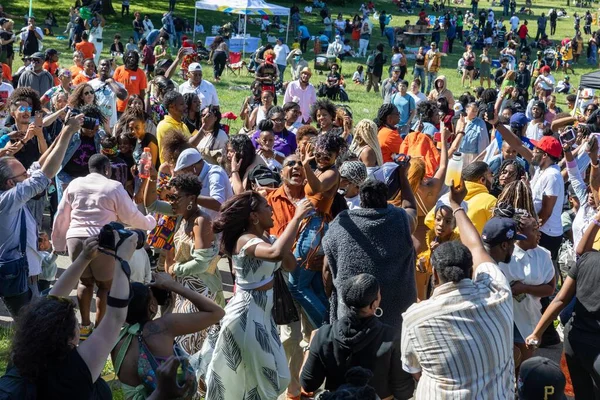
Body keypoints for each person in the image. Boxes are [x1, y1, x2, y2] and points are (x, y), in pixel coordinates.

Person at [402, 182, 515, 398]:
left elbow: (415, 371)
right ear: (471, 270)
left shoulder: (415, 318)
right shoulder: (499, 292)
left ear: (434, 274)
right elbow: (476, 247)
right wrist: (456, 204)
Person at [198, 192, 313, 400]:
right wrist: (296, 218)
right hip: (246, 316)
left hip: (263, 316)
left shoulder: (266, 240)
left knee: (279, 377)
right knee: (263, 384)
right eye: (266, 207)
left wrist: (281, 241)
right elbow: (274, 255)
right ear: (254, 216)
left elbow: (290, 264)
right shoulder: (245, 240)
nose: (271, 211)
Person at [0, 232, 136, 399]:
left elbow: (51, 301)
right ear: (71, 339)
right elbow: (115, 317)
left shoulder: (20, 359)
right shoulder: (77, 370)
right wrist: (122, 260)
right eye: (76, 324)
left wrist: (84, 258)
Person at [52, 154, 156, 335]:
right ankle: (99, 330)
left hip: (76, 239)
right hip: (104, 240)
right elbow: (130, 216)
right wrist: (150, 222)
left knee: (84, 282)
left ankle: (85, 326)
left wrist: (58, 243)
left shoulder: (75, 184)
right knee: (105, 286)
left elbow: (61, 215)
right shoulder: (114, 186)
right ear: (107, 169)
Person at [0, 110, 83, 316]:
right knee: (28, 331)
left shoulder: (12, 193)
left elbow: (39, 166)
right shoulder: (6, 200)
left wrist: (64, 131)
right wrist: (67, 133)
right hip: (19, 280)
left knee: (32, 329)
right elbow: (44, 175)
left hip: (28, 275)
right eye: (23, 174)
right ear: (10, 182)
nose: (28, 174)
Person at [301, 274, 414, 399]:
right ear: (373, 304)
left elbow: (308, 384)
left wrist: (309, 348)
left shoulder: (324, 334)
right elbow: (404, 392)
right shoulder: (391, 338)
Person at [526, 215, 600, 398]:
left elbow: (560, 299)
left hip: (574, 341)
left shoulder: (586, 260)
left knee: (583, 394)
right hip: (597, 346)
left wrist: (537, 332)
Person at [498, 209, 555, 363]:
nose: (539, 233)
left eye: (539, 228)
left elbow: (550, 288)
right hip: (507, 318)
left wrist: (526, 289)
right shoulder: (503, 255)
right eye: (534, 230)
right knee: (506, 362)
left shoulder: (543, 255)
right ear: (519, 233)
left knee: (524, 364)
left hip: (530, 317)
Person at [171, 148, 233, 220]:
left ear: (194, 167)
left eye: (184, 171)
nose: (183, 175)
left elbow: (218, 204)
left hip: (223, 226)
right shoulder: (195, 178)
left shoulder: (215, 173)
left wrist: (191, 198)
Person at [89, 58, 128, 131]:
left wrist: (111, 83)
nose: (105, 67)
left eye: (107, 66)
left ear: (110, 69)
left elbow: (123, 96)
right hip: (94, 123)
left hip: (111, 124)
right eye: (102, 65)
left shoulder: (117, 85)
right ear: (97, 68)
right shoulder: (90, 84)